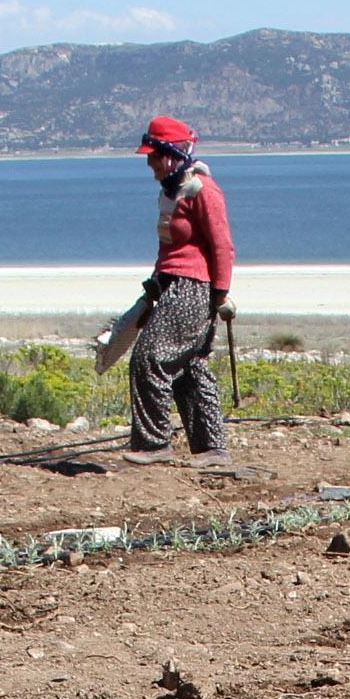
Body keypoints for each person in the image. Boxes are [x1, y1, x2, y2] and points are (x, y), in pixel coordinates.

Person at [124, 117, 233, 467]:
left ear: (172, 154)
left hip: (193, 288)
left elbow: (222, 246)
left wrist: (220, 294)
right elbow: (167, 247)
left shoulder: (203, 190)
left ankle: (154, 444)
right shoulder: (171, 192)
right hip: (172, 285)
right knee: (189, 367)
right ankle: (211, 449)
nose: (150, 163)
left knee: (150, 358)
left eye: (154, 155)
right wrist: (156, 283)